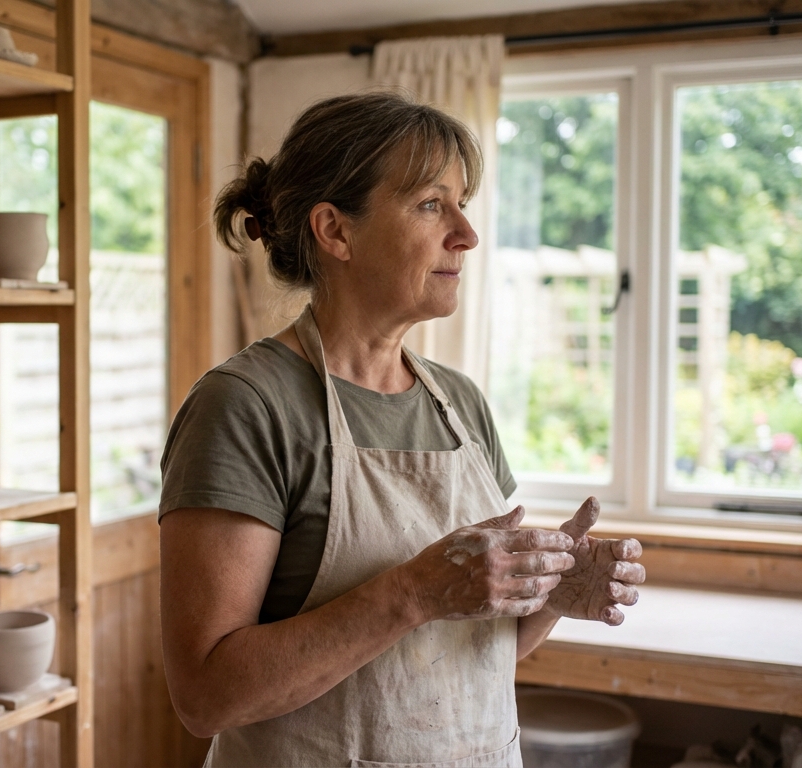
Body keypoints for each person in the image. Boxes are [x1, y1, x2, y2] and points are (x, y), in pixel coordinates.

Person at [158, 90, 646, 768]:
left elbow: (463, 657)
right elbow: (206, 697)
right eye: (429, 204)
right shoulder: (246, 406)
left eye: (462, 203)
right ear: (336, 231)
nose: (466, 234)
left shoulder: (461, 404)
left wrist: (548, 599)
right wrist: (413, 593)